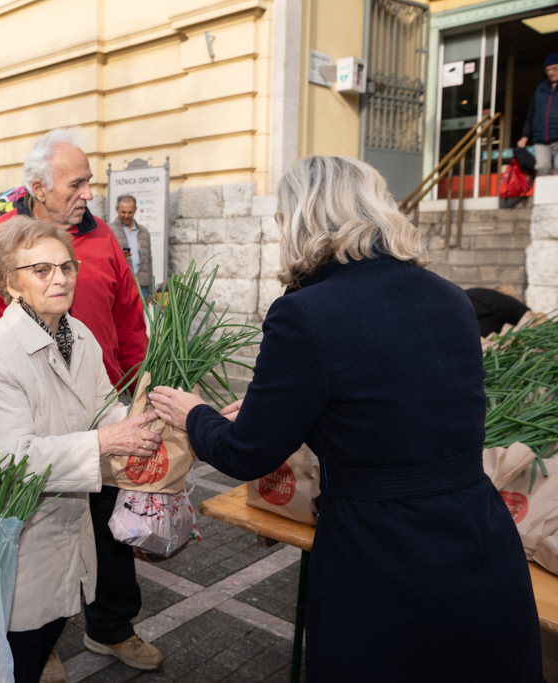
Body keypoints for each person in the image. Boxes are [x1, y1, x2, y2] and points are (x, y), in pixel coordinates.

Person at [148, 155, 543, 682]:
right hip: (479, 537)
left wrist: (195, 413)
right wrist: (289, 413)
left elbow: (246, 453)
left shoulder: (306, 312)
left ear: (301, 218)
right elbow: (396, 408)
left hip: (382, 553)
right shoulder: (449, 296)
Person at [0, 128, 160, 676]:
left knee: (59, 608)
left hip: (71, 508)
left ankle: (100, 632)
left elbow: (104, 403)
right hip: (23, 522)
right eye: (42, 270)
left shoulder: (77, 333)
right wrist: (103, 441)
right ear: (11, 284)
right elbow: (11, 458)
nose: (60, 278)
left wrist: (146, 420)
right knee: (19, 639)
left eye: (67, 267)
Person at [518, 53, 558, 175]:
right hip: (541, 140)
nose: (551, 72)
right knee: (542, 170)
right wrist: (525, 135)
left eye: (554, 68)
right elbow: (531, 115)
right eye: (548, 70)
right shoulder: (540, 89)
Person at [108, 194, 153, 302]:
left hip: (142, 286)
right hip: (120, 285)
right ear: (117, 210)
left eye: (130, 212)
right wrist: (117, 254)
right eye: (123, 212)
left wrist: (151, 292)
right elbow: (102, 259)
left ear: (135, 210)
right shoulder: (109, 230)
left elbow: (148, 262)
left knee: (141, 313)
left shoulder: (143, 232)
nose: (127, 215)